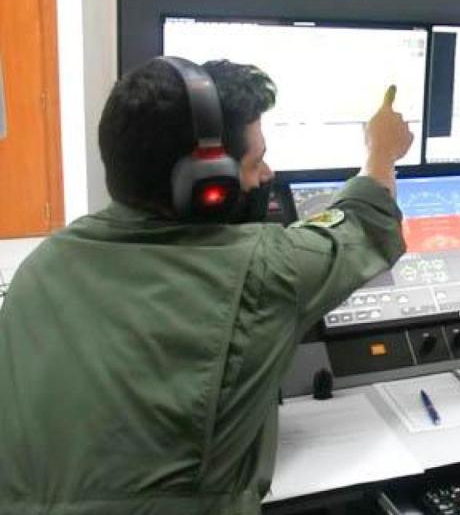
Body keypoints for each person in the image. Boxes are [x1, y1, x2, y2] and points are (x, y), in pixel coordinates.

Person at [0, 58, 413, 514]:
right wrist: (381, 152)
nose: (266, 175)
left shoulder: (40, 266)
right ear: (206, 185)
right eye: (255, 162)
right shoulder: (264, 271)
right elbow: (364, 225)